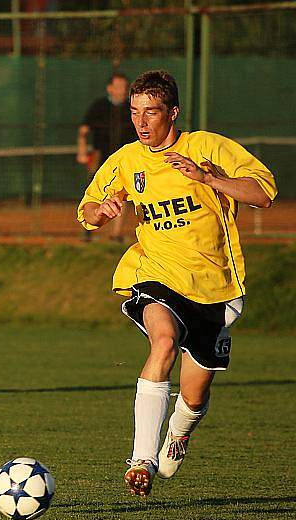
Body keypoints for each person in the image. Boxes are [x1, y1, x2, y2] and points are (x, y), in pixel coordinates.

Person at [77, 70, 276, 497]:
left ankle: (179, 433)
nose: (142, 123)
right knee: (163, 342)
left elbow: (262, 194)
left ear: (173, 112)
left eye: (151, 112)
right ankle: (141, 459)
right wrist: (103, 210)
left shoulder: (208, 148)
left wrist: (209, 179)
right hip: (155, 272)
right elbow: (87, 210)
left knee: (194, 395)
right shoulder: (128, 159)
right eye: (134, 113)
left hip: (215, 285)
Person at [76, 73, 137, 242]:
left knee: (122, 195)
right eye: (118, 86)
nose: (122, 90)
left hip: (125, 160)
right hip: (100, 157)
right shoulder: (99, 106)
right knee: (93, 193)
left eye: (125, 87)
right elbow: (83, 131)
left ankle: (115, 235)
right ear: (109, 88)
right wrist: (82, 151)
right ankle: (87, 230)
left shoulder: (132, 108)